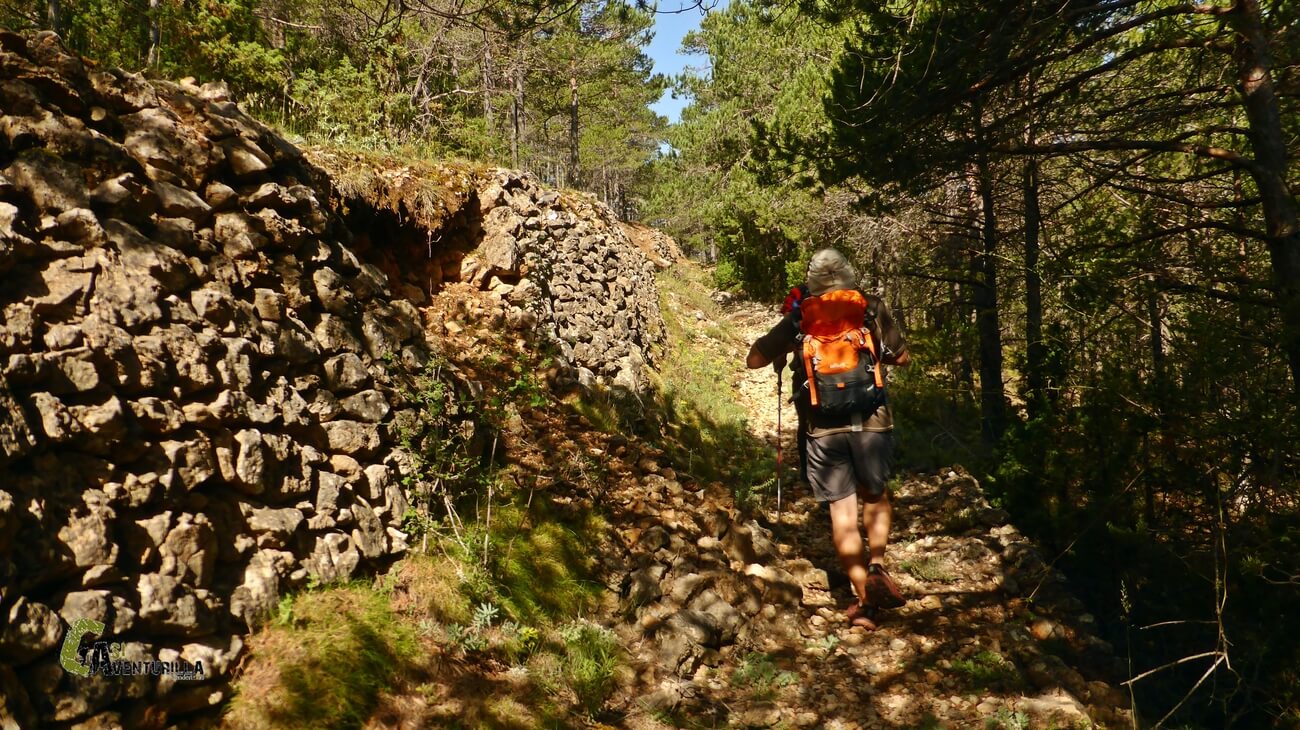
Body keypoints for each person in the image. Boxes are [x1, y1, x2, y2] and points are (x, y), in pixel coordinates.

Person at [746, 249, 911, 630]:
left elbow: (754, 359)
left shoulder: (801, 315)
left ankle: (865, 602)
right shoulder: (870, 308)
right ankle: (877, 565)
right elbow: (901, 358)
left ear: (812, 281)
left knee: (842, 512)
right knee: (875, 496)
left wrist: (790, 345)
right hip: (872, 420)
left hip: (823, 427)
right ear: (849, 275)